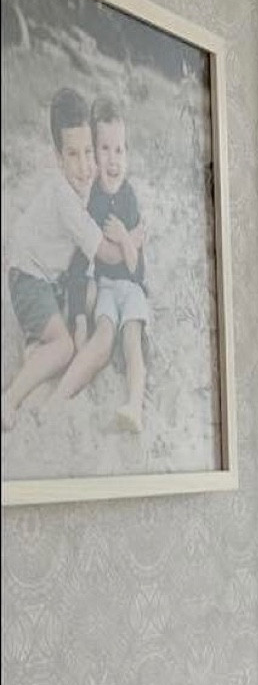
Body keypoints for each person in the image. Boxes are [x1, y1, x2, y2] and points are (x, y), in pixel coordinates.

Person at [1, 87, 118, 430]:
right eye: (73, 155)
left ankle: (35, 350)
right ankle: (10, 398)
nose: (84, 167)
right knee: (64, 347)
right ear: (58, 157)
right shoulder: (64, 197)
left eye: (88, 152)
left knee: (85, 300)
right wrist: (131, 246)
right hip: (29, 277)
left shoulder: (81, 183)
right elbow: (103, 251)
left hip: (49, 274)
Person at [53, 97, 149, 432]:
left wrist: (125, 238)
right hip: (105, 286)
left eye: (119, 150)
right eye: (104, 149)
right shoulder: (91, 200)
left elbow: (137, 270)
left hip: (132, 289)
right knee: (105, 336)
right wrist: (80, 315)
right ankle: (61, 395)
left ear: (127, 155)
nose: (112, 159)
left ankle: (134, 405)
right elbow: (80, 263)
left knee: (132, 339)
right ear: (94, 153)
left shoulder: (130, 197)